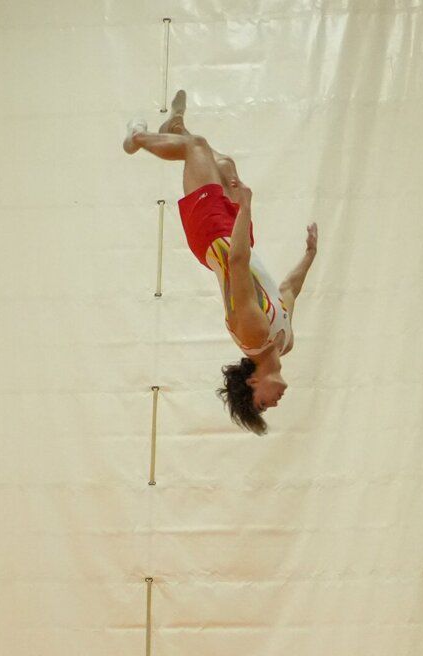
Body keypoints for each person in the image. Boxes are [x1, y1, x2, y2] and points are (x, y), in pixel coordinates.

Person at [124, 90, 315, 434]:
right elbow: (288, 291)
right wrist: (309, 256)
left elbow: (238, 263)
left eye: (262, 404)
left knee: (196, 148)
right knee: (225, 166)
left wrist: (246, 207)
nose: (273, 405)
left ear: (253, 384)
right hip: (238, 238)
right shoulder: (284, 344)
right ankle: (174, 126)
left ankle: (137, 139)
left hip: (212, 234)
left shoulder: (250, 331)